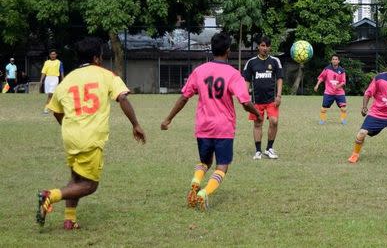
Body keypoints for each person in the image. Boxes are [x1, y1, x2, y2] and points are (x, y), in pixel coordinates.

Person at [36, 37, 146, 230]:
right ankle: (50, 196)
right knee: (89, 185)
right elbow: (123, 99)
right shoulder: (107, 75)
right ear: (97, 58)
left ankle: (69, 219)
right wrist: (135, 124)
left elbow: (56, 110)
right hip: (91, 137)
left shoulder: (68, 79)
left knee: (76, 178)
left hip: (70, 136)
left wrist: (68, 126)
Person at [161, 32, 262, 210]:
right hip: (223, 128)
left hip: (203, 127)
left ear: (212, 49)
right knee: (222, 166)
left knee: (205, 162)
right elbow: (245, 102)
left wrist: (168, 118)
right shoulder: (232, 73)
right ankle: (204, 192)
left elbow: (184, 97)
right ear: (228, 51)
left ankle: (196, 181)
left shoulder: (199, 71)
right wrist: (258, 115)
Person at [242, 36, 283, 160]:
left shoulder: (275, 61)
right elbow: (247, 80)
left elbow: (280, 79)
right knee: (258, 123)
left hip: (272, 99)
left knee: (274, 121)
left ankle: (269, 148)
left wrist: (279, 96)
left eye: (267, 46)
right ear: (258, 47)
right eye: (262, 45)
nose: (265, 48)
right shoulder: (251, 62)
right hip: (256, 101)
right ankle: (258, 151)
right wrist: (246, 97)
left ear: (270, 47)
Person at [314, 54, 347, 125]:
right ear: (331, 61)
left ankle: (343, 120)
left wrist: (338, 86)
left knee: (343, 108)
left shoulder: (341, 70)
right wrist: (317, 85)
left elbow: (343, 82)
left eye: (336, 59)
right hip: (329, 92)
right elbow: (321, 77)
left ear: (339, 61)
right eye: (333, 59)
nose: (334, 60)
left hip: (339, 93)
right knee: (323, 109)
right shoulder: (327, 69)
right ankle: (322, 120)